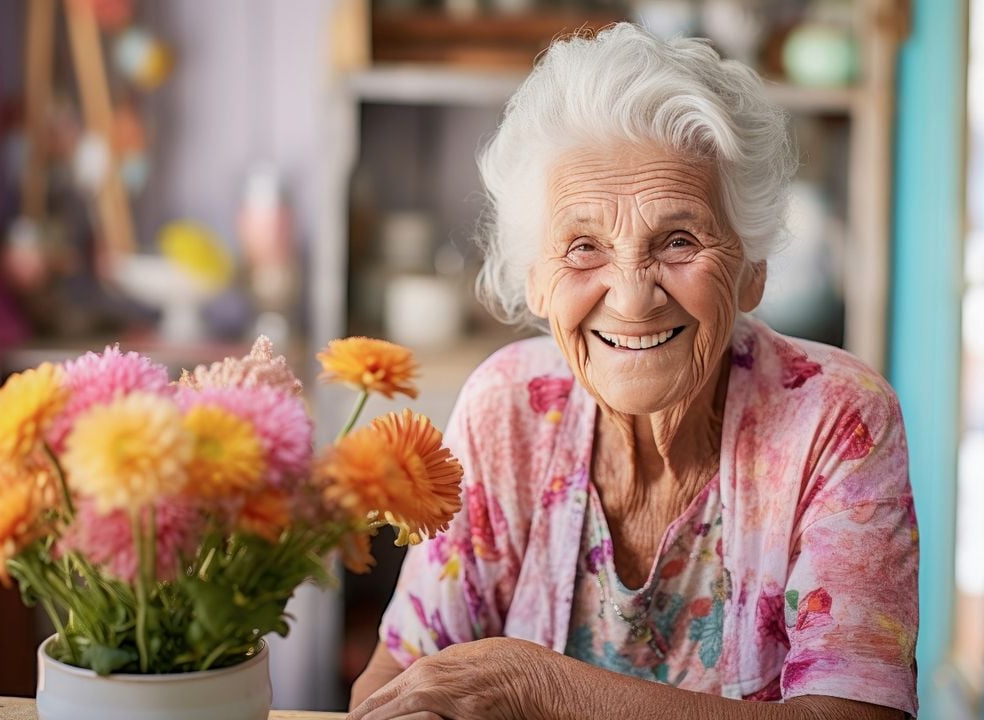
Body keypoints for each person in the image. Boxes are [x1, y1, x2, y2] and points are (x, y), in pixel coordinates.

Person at [349, 23, 918, 720]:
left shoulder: (836, 420)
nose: (632, 294)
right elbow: (390, 687)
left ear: (752, 271)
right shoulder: (508, 408)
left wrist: (543, 687)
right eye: (584, 246)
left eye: (679, 240)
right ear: (537, 282)